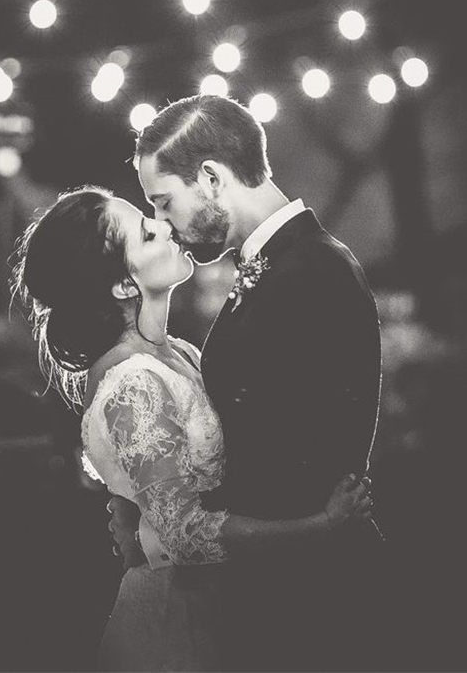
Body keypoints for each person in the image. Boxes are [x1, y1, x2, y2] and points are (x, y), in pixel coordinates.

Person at [11, 184, 374, 672]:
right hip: (175, 623)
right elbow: (183, 535)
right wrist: (320, 527)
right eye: (145, 232)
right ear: (123, 285)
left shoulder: (177, 353)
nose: (164, 224)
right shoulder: (133, 384)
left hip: (223, 609)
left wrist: (133, 520)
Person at [109, 94, 384, 671]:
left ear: (211, 177)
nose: (163, 222)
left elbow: (290, 456)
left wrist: (175, 526)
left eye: (164, 201)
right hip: (275, 583)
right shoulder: (276, 265)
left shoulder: (313, 269)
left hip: (305, 598)